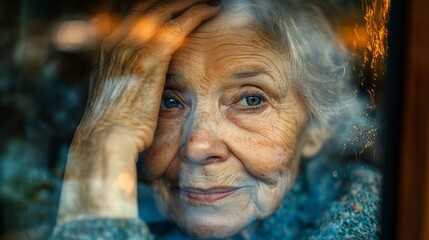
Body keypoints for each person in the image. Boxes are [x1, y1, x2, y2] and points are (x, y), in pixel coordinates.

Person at [52, 0, 381, 239]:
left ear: (317, 127)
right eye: (169, 101)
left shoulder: (366, 218)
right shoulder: (62, 197)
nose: (197, 146)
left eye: (251, 100)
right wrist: (103, 143)